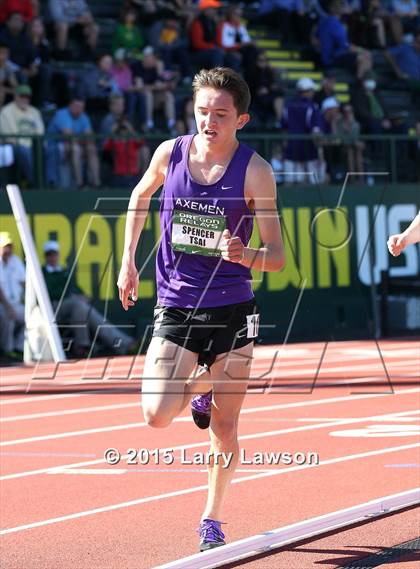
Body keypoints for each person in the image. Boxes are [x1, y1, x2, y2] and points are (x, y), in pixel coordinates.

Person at [117, 67, 284, 551]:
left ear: (242, 120)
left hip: (233, 306)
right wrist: (128, 261)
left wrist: (243, 254)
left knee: (226, 428)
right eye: (202, 111)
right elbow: (139, 195)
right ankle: (201, 388)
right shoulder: (170, 153)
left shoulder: (255, 171)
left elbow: (275, 255)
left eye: (221, 114)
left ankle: (211, 517)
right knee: (156, 415)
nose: (209, 121)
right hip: (176, 302)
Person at [42, 240, 136, 357]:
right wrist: (73, 297)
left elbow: (75, 288)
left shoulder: (64, 271)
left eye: (54, 254)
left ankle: (121, 344)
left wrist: (82, 296)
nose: (52, 257)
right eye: (49, 254)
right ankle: (88, 344)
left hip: (71, 306)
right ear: (45, 256)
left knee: (84, 309)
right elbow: (50, 293)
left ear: (58, 254)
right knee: (79, 306)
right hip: (51, 308)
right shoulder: (42, 273)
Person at [0, 83, 44, 186]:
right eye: (22, 96)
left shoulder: (34, 112)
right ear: (15, 96)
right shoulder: (7, 111)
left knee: (51, 150)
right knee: (24, 151)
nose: (24, 99)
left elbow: (40, 132)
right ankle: (35, 184)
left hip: (32, 145)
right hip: (13, 146)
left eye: (27, 97)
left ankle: (51, 183)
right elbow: (11, 136)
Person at [0, 231, 25, 360]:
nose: (8, 250)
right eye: (5, 247)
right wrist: (9, 307)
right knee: (6, 316)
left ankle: (19, 348)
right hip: (2, 304)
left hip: (16, 304)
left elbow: (24, 282)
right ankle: (7, 350)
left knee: (33, 317)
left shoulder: (15, 261)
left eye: (9, 246)